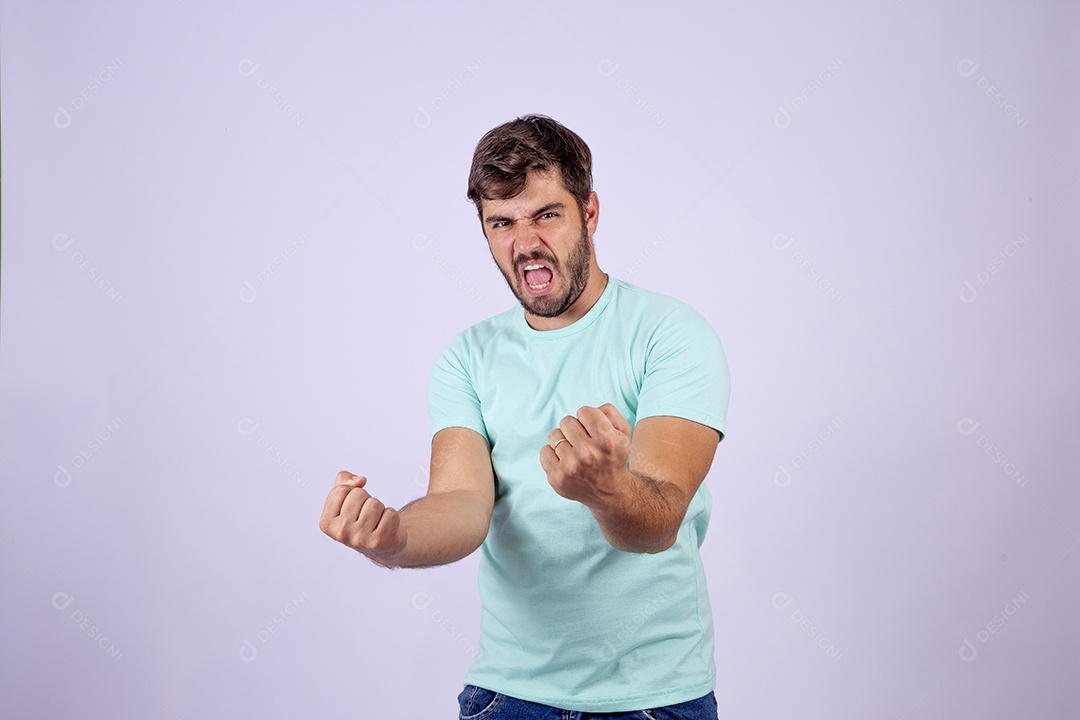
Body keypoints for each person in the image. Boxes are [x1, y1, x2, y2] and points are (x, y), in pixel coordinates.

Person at [319, 114, 730, 719]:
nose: (525, 242)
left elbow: (657, 523)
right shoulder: (467, 358)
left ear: (589, 214)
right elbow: (462, 505)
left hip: (655, 699)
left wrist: (607, 490)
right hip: (508, 699)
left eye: (546, 215)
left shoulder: (671, 335)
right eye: (501, 223)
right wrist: (395, 537)